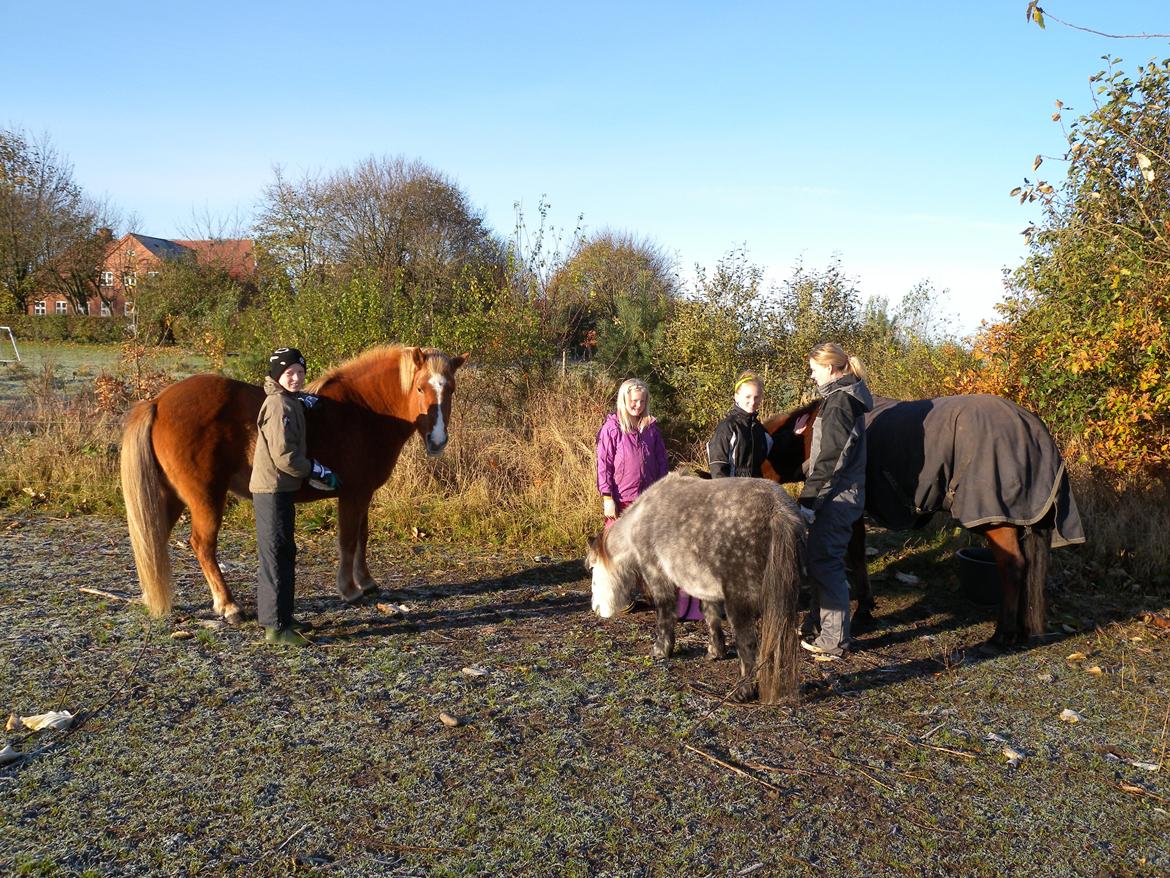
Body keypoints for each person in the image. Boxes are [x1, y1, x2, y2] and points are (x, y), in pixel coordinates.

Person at [249, 347, 340, 646]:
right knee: (276, 556)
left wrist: (305, 401)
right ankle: (275, 628)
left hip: (281, 489)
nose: (296, 378)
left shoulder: (288, 401)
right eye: (290, 374)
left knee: (285, 552)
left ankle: (284, 618)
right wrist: (317, 470)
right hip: (272, 489)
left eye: (300, 373)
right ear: (277, 376)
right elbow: (285, 456)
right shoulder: (278, 406)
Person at [798, 342, 873, 660]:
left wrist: (809, 499)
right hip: (837, 494)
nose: (812, 375)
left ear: (829, 367)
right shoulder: (840, 399)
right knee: (819, 560)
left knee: (826, 562)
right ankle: (819, 625)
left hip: (836, 498)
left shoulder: (840, 402)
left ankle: (834, 642)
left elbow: (832, 459)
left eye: (814, 369)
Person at [595, 378, 678, 613]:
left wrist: (664, 489)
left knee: (648, 548)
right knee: (616, 549)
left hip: (647, 497)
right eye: (633, 401)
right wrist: (606, 496)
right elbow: (604, 465)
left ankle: (649, 591)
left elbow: (662, 460)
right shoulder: (612, 428)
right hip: (621, 498)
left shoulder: (651, 429)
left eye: (642, 401)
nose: (638, 405)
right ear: (624, 400)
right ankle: (614, 596)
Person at [706, 371, 772, 479]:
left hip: (756, 488)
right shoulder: (728, 426)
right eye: (748, 397)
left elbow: (773, 452)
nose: (752, 401)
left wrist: (793, 433)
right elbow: (717, 464)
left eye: (756, 397)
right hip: (733, 490)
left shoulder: (759, 429)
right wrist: (724, 493)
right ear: (736, 397)